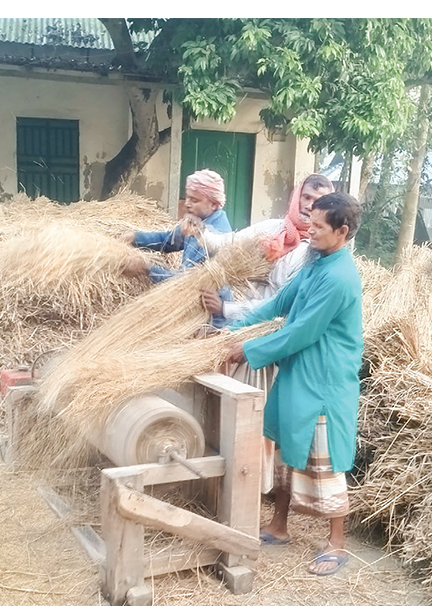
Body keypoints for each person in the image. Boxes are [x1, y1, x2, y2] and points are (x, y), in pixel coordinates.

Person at [225, 192, 363, 577]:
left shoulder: (340, 277)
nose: (310, 230)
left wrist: (248, 350)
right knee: (288, 445)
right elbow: (279, 303)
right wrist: (231, 331)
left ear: (342, 231)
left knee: (324, 458)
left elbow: (302, 331)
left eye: (318, 226)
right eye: (310, 222)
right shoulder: (317, 263)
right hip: (298, 370)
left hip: (323, 378)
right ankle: (279, 525)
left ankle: (336, 543)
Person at [198, 172, 335, 328]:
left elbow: (279, 304)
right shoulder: (271, 228)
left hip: (266, 328)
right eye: (306, 197)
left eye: (318, 201)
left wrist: (225, 308)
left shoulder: (313, 252)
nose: (309, 206)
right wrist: (199, 232)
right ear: (297, 197)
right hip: (235, 318)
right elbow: (229, 242)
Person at [124, 169, 232, 291]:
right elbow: (167, 240)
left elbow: (186, 283)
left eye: (194, 200)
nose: (187, 204)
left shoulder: (214, 238)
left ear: (213, 204)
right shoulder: (196, 222)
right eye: (187, 198)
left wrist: (147, 269)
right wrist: (135, 237)